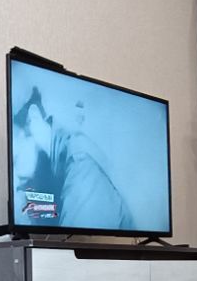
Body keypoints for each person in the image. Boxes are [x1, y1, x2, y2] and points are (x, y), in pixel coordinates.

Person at [12, 86, 132, 229]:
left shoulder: (80, 162)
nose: (15, 172)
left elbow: (80, 235)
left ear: (34, 117)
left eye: (15, 159)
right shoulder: (60, 163)